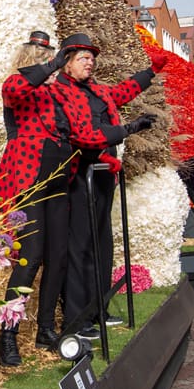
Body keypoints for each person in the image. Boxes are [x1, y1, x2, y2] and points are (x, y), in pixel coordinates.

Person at [52, 33, 156, 342]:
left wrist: (150, 72)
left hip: (102, 174)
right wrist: (128, 128)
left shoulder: (96, 89)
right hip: (79, 173)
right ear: (67, 62)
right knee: (80, 246)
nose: (90, 62)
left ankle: (99, 307)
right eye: (83, 58)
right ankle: (77, 317)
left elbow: (120, 93)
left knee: (102, 243)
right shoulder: (61, 92)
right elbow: (85, 135)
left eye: (92, 58)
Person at [0, 34, 74, 368]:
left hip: (58, 177)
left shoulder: (56, 95)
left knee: (58, 255)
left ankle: (45, 329)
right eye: (45, 61)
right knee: (31, 254)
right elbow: (15, 91)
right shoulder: (16, 85)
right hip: (28, 176)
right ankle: (6, 335)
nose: (53, 67)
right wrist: (51, 65)